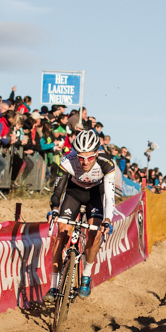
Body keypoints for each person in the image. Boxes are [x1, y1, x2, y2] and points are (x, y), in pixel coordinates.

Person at [45, 129, 116, 302]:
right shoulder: (67, 161)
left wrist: (107, 220)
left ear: (97, 153)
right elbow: (57, 191)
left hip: (95, 196)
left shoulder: (107, 163)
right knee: (61, 234)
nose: (85, 162)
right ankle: (53, 286)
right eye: (81, 157)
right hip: (74, 194)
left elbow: (109, 197)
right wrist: (55, 209)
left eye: (90, 158)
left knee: (95, 235)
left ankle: (86, 276)